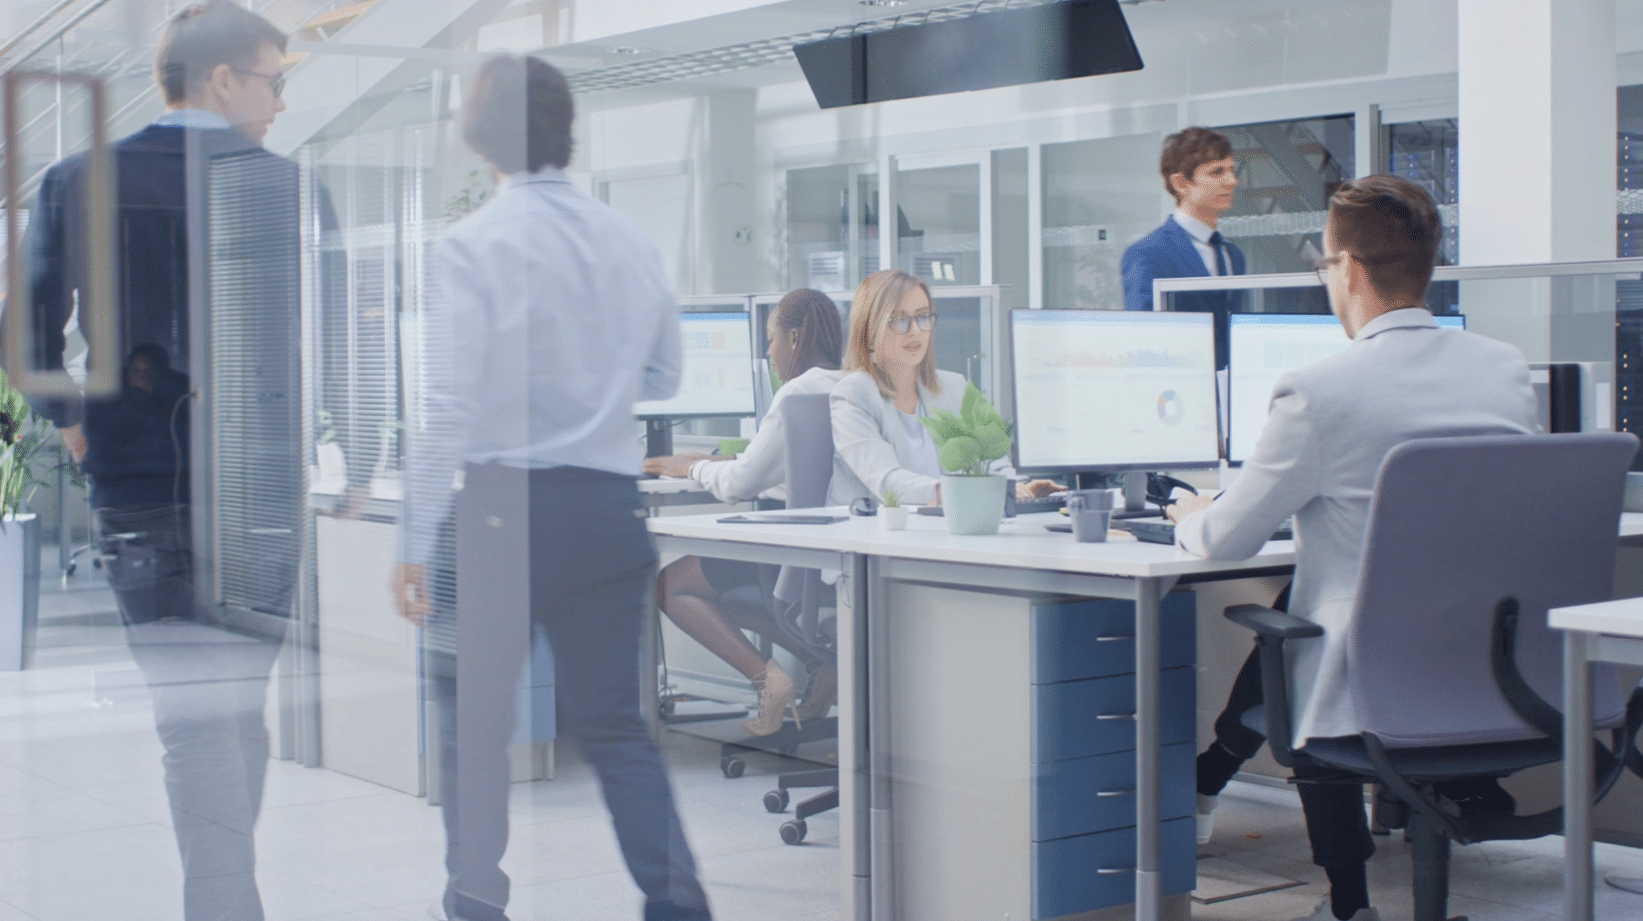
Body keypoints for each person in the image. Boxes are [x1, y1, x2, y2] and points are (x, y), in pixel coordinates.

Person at [16, 4, 325, 918]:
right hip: (259, 487)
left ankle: (224, 897)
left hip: (142, 482)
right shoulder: (286, 187)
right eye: (274, 79)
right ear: (222, 79)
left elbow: (26, 335)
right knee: (223, 717)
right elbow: (326, 336)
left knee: (208, 718)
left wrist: (76, 422)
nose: (279, 100)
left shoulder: (80, 179)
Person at [391, 54, 712, 921]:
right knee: (615, 728)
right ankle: (680, 908)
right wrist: (592, 387)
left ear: (478, 136)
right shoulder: (630, 240)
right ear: (566, 132)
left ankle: (477, 904)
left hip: (500, 509)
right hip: (607, 506)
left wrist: (411, 540)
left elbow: (449, 405)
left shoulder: (469, 246)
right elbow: (664, 373)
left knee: (477, 727)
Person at [1165, 174, 1536, 921]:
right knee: (1304, 598)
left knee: (1298, 618)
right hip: (1494, 678)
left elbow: (1223, 539)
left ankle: (1346, 903)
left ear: (1349, 270)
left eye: (1324, 266)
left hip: (1366, 694)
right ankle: (1218, 784)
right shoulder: (1503, 370)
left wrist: (1190, 510)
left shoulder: (1316, 391)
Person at [645, 289, 845, 735]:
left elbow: (740, 484)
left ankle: (767, 680)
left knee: (670, 585)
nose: (769, 352)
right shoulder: (851, 387)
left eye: (772, 339)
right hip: (828, 561)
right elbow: (768, 464)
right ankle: (819, 664)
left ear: (795, 339)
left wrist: (690, 466)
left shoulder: (796, 393)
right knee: (730, 594)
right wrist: (714, 463)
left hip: (781, 555)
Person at [828, 269, 1058, 507]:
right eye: (899, 320)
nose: (916, 330)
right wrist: (957, 493)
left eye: (923, 317)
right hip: (870, 532)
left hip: (947, 525)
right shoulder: (853, 394)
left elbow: (994, 460)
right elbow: (886, 481)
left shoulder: (954, 386)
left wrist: (1015, 489)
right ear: (869, 330)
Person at [1121, 126, 1245, 367]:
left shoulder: (1233, 256)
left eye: (1231, 170)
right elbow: (1143, 341)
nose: (1232, 181)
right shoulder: (1148, 255)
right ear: (1181, 183)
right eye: (1217, 172)